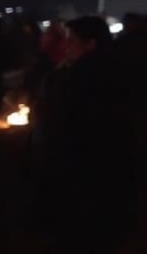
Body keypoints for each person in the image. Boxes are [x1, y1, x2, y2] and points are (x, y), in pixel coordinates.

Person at [28, 16, 139, 253]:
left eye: (73, 40)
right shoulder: (116, 72)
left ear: (91, 44)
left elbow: (63, 118)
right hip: (102, 165)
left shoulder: (80, 77)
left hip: (77, 161)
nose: (67, 45)